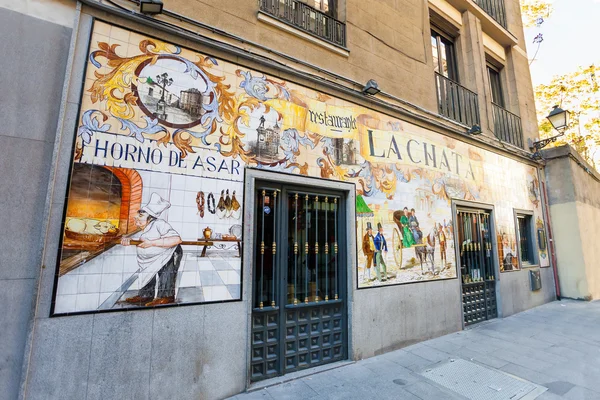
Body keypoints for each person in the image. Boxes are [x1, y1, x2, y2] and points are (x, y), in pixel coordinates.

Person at [121, 193, 183, 306]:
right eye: (138, 215)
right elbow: (137, 239)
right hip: (152, 257)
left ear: (150, 218)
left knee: (166, 273)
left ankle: (166, 297)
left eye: (140, 216)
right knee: (148, 272)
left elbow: (176, 239)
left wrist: (152, 243)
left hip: (169, 253)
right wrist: (127, 239)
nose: (136, 218)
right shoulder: (143, 228)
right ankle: (145, 295)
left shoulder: (160, 224)